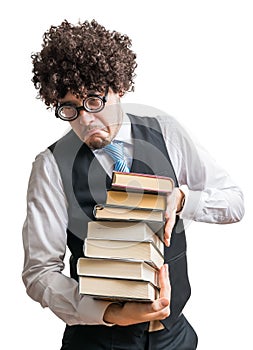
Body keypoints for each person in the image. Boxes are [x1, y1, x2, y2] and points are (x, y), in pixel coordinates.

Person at [22, 19, 244, 350]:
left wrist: (182, 199)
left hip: (175, 337)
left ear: (119, 87)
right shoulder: (50, 166)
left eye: (94, 101)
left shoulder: (166, 132)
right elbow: (39, 273)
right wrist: (110, 313)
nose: (85, 120)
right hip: (99, 341)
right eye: (70, 108)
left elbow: (234, 203)